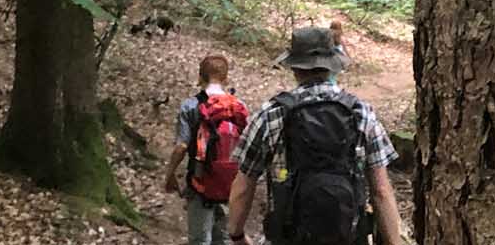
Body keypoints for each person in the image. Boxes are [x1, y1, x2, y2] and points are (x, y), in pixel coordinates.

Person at [225, 27, 409, 245]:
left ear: (294, 67)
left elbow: (244, 184)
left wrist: (236, 234)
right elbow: (380, 190)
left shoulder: (271, 114)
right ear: (332, 64)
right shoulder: (361, 113)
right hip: (348, 236)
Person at [165, 55, 249, 245]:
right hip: (231, 183)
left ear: (199, 77)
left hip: (200, 182)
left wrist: (169, 174)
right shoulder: (239, 107)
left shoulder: (190, 106)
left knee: (200, 239)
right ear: (226, 78)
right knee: (225, 238)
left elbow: (181, 146)